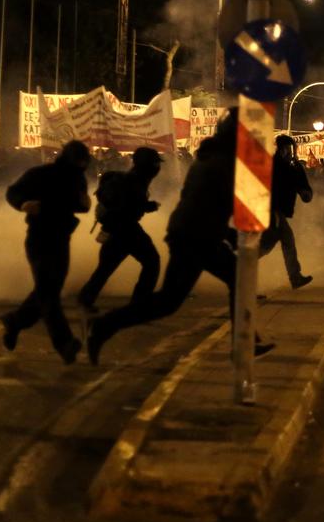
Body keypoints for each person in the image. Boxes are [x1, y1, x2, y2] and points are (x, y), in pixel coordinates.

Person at [86, 111, 274, 366]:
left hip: (195, 232)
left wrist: (228, 231)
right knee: (220, 285)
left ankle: (104, 325)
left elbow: (207, 202)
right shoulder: (223, 162)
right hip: (196, 235)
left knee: (172, 300)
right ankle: (243, 344)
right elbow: (218, 203)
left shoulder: (211, 156)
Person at [2, 140, 91, 365]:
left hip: (61, 240)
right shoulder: (40, 174)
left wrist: (85, 203)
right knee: (48, 294)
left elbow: (80, 206)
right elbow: (13, 192)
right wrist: (23, 204)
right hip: (39, 239)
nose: (81, 165)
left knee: (47, 292)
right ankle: (65, 344)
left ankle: (15, 321)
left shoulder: (78, 178)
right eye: (79, 161)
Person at [77, 147, 163, 313]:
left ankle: (85, 299)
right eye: (155, 163)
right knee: (152, 261)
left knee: (106, 267)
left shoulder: (133, 179)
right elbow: (129, 206)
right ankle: (138, 305)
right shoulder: (135, 180)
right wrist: (149, 206)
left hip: (115, 228)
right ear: (148, 164)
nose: (157, 168)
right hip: (126, 229)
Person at [260, 134, 314, 289]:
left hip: (279, 211)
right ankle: (295, 277)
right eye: (285, 149)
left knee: (265, 246)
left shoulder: (294, 167)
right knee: (287, 239)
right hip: (272, 210)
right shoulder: (272, 164)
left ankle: (239, 266)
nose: (288, 152)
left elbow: (303, 188)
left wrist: (306, 192)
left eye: (290, 149)